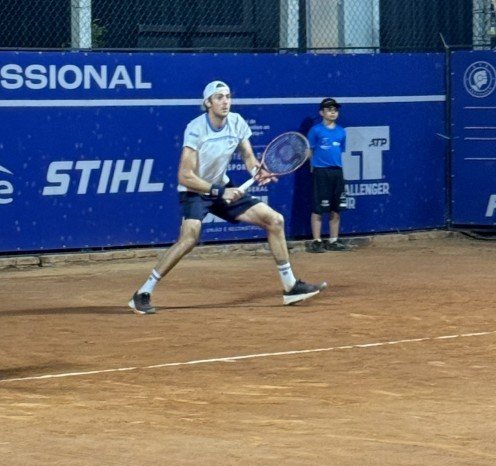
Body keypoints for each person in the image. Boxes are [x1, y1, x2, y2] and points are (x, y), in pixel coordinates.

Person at [128, 81, 326, 314]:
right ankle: (143, 293)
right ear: (208, 103)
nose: (225, 101)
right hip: (196, 190)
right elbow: (184, 176)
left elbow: (249, 157)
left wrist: (257, 172)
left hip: (221, 187)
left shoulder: (237, 122)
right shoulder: (196, 128)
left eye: (228, 96)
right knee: (189, 239)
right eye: (219, 97)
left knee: (275, 221)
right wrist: (220, 192)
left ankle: (290, 286)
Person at [305, 98, 349, 253]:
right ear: (321, 113)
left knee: (336, 209)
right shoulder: (315, 131)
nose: (333, 112)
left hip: (337, 172)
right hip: (320, 172)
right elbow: (310, 151)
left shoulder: (342, 131)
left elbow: (340, 151)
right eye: (329, 110)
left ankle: (333, 240)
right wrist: (313, 166)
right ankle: (316, 241)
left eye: (335, 110)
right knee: (318, 208)